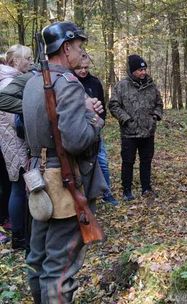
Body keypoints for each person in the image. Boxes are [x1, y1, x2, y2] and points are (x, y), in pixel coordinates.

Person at [23, 21, 106, 303]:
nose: (81, 53)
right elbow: (76, 140)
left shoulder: (34, 80)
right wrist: (94, 119)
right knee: (59, 268)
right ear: (66, 47)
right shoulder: (68, 84)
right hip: (63, 181)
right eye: (79, 47)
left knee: (38, 258)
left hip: (38, 177)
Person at [109, 54, 163, 201]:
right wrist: (125, 119)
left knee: (146, 161)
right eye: (140, 70)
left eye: (144, 69)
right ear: (132, 71)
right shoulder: (122, 86)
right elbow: (113, 105)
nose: (143, 72)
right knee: (128, 162)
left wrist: (155, 117)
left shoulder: (151, 85)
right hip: (129, 133)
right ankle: (127, 190)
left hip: (148, 132)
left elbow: (159, 103)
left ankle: (146, 187)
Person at [74, 54, 118, 205]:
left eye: (86, 67)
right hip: (77, 130)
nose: (83, 71)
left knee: (102, 161)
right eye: (79, 68)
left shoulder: (94, 82)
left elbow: (102, 107)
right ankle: (83, 196)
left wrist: (100, 123)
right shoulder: (69, 83)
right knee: (80, 165)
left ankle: (107, 193)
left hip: (95, 129)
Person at [0, 44, 33, 249]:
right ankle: (20, 237)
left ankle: (20, 234)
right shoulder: (9, 82)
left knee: (18, 186)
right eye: (27, 59)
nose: (30, 62)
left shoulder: (7, 79)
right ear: (15, 62)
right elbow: (16, 122)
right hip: (16, 142)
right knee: (19, 187)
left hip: (12, 142)